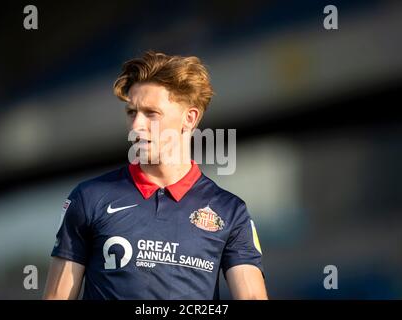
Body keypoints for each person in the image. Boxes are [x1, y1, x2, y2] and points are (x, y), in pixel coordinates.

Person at [43, 51, 268, 300]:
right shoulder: (88, 198)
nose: (136, 125)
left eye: (151, 113)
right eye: (132, 112)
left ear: (189, 118)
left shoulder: (229, 211)